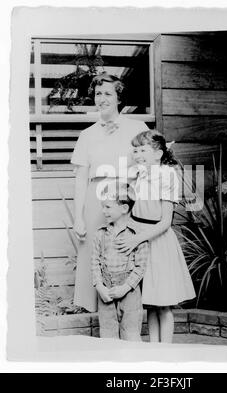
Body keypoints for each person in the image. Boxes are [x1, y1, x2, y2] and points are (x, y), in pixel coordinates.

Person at [71, 73, 148, 312]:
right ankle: (101, 321)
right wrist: (78, 217)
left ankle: (131, 314)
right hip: (97, 200)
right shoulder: (87, 135)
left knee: (127, 251)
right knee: (97, 254)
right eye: (97, 94)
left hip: (127, 199)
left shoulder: (137, 128)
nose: (101, 98)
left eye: (107, 93)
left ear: (118, 98)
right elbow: (81, 178)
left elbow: (151, 164)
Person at [115, 130, 196, 343]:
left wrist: (136, 239)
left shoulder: (167, 175)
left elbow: (165, 222)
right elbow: (133, 207)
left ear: (158, 154)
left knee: (163, 303)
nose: (137, 154)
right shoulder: (140, 174)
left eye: (142, 150)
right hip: (139, 238)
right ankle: (153, 350)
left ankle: (165, 352)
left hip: (157, 241)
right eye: (135, 150)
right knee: (150, 301)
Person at [91, 182, 148, 341]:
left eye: (108, 207)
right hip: (106, 293)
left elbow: (140, 267)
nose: (103, 211)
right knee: (108, 335)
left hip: (129, 292)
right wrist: (100, 286)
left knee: (131, 334)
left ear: (124, 208)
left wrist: (125, 287)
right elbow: (94, 263)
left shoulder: (137, 235)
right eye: (103, 206)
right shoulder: (100, 234)